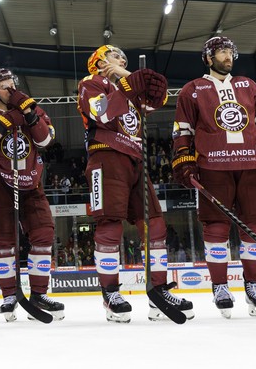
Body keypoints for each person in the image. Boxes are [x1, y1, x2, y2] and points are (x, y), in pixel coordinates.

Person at [77, 45, 193, 323]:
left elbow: (158, 98)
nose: (121, 60)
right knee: (110, 223)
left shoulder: (127, 89)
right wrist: (128, 82)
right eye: (116, 57)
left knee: (155, 224)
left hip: (136, 160)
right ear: (100, 60)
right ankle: (110, 294)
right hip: (105, 156)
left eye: (124, 59)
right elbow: (102, 113)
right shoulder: (90, 83)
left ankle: (158, 289)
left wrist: (138, 79)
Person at [172, 36, 256, 319]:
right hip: (213, 165)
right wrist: (184, 158)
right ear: (208, 58)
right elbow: (182, 130)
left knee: (254, 229)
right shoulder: (192, 89)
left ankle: (254, 286)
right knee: (216, 229)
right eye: (221, 52)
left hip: (251, 164)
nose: (228, 56)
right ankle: (220, 287)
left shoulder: (248, 85)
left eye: (230, 52)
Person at [0, 68, 64, 322]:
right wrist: (2, 127)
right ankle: (9, 295)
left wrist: (29, 115)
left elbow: (46, 140)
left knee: (44, 234)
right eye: (3, 85)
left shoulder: (32, 108)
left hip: (32, 183)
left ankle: (38, 294)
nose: (10, 89)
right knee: (3, 243)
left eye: (12, 84)